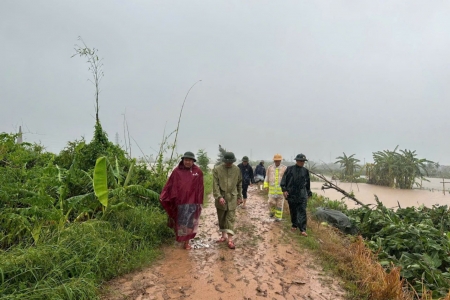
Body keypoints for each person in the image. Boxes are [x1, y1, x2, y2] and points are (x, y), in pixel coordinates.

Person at [160, 151, 204, 250]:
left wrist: (199, 201)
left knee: (189, 222)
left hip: (192, 201)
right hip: (179, 201)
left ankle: (186, 242)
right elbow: (170, 185)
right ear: (183, 160)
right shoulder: (176, 171)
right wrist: (165, 196)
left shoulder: (198, 172)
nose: (187, 162)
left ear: (193, 161)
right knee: (181, 221)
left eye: (190, 160)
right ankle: (182, 238)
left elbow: (200, 188)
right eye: (186, 160)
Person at [213, 152, 243, 249]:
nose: (229, 164)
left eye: (230, 162)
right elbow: (215, 184)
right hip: (221, 196)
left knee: (230, 218)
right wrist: (219, 197)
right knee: (221, 217)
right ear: (224, 161)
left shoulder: (237, 169)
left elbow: (239, 184)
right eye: (227, 162)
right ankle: (223, 236)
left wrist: (239, 197)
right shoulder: (217, 169)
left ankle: (230, 240)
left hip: (232, 197)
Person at [280, 153, 312, 237]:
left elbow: (307, 183)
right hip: (291, 193)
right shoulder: (289, 169)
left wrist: (308, 192)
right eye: (301, 161)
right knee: (293, 210)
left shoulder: (305, 171)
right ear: (297, 161)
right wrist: (284, 190)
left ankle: (303, 229)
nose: (302, 163)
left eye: (303, 161)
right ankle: (294, 225)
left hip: (302, 194)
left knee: (302, 211)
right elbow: (283, 180)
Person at [264, 154, 287, 220]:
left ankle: (278, 218)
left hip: (280, 190)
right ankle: (272, 212)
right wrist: (266, 186)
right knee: (271, 202)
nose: (277, 162)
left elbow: (287, 179)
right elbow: (267, 177)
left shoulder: (284, 168)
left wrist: (286, 189)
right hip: (272, 190)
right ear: (274, 160)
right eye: (276, 161)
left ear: (280, 160)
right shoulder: (270, 168)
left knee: (279, 205)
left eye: (278, 161)